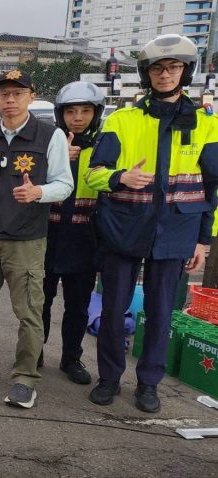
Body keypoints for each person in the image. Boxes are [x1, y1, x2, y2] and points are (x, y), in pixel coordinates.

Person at [86, 34, 218, 413]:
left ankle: (149, 383)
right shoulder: (122, 120)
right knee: (114, 310)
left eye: (174, 67)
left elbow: (212, 187)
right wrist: (120, 177)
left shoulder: (207, 124)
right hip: (124, 229)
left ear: (185, 72)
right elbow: (94, 175)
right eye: (158, 68)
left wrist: (203, 240)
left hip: (176, 232)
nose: (165, 74)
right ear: (146, 73)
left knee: (161, 314)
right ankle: (109, 377)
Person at [0, 70, 74, 409]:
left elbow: (65, 184)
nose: (10, 100)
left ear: (31, 97)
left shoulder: (50, 136)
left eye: (17, 93)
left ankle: (25, 378)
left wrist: (38, 192)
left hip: (26, 241)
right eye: (4, 94)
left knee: (29, 312)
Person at [41, 81, 106, 385]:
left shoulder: (104, 148)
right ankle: (34, 352)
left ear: (96, 114)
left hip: (84, 240)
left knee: (77, 306)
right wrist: (58, 159)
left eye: (85, 111)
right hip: (48, 236)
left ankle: (71, 358)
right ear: (61, 114)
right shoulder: (49, 145)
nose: (77, 117)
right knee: (39, 301)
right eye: (70, 111)